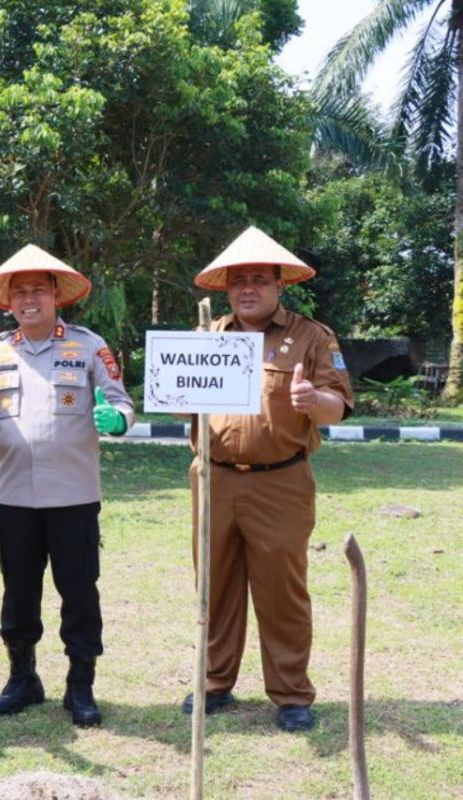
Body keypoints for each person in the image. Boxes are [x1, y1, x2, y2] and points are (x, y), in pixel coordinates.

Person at [183, 226, 354, 732]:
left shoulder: (312, 337)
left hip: (280, 481)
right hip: (212, 479)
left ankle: (291, 693)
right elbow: (178, 400)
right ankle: (214, 682)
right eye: (238, 281)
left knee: (281, 590)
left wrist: (311, 402)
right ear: (226, 289)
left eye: (259, 279)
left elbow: (338, 406)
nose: (248, 289)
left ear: (280, 285)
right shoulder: (205, 337)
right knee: (212, 586)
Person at [0, 244, 135, 726]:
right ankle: (23, 678)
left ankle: (81, 686)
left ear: (57, 296)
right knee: (18, 592)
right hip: (15, 498)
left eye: (39, 290)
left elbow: (122, 401)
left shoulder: (88, 345)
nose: (29, 298)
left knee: (78, 590)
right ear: (9, 302)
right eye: (20, 292)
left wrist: (115, 418)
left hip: (74, 495)